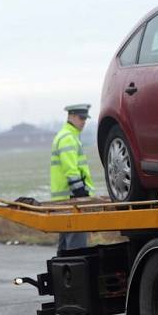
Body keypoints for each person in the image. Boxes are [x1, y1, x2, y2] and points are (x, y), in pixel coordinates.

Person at [50, 103, 94, 251]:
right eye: (81, 118)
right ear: (72, 116)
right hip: (72, 200)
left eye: (85, 119)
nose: (84, 122)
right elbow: (71, 170)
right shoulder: (68, 138)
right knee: (76, 248)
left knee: (65, 246)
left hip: (65, 201)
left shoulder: (67, 136)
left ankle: (61, 273)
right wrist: (81, 193)